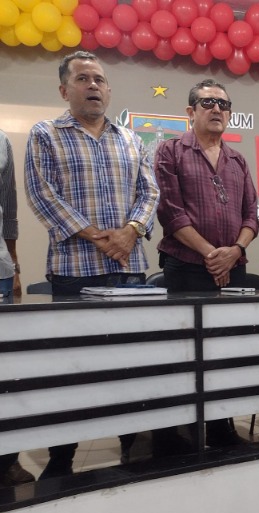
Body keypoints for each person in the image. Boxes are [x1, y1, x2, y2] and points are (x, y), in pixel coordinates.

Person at [25, 51, 158, 478]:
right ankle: (62, 458)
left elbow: (150, 193)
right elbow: (42, 194)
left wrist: (131, 231)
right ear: (64, 90)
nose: (93, 85)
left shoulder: (132, 139)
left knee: (131, 367)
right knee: (72, 370)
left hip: (129, 271)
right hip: (73, 272)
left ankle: (133, 447)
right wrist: (99, 236)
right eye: (83, 79)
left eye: (99, 79)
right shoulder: (46, 134)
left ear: (109, 89)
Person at [155, 78, 259, 448]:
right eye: (208, 102)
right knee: (184, 354)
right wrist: (212, 254)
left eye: (223, 104)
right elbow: (170, 212)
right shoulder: (170, 151)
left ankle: (221, 427)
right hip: (186, 267)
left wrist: (234, 250)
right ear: (190, 111)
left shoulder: (238, 160)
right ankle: (178, 436)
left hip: (233, 267)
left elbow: (251, 215)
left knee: (225, 353)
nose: (217, 109)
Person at [0, 129, 35, 488]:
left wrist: (14, 266)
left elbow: (8, 210)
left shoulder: (1, 142)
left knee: (4, 372)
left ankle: (6, 462)